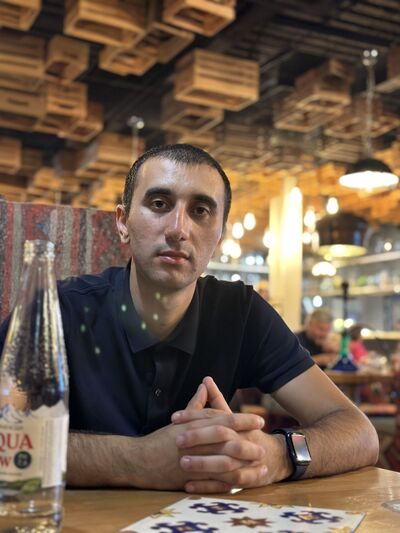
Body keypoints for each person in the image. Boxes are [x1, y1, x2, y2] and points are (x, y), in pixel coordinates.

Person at [0, 144, 378, 493]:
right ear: (123, 222)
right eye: (159, 203)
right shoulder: (55, 309)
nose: (179, 229)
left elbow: (359, 433)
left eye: (200, 211)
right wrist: (138, 460)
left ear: (218, 236)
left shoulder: (240, 311)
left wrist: (275, 456)